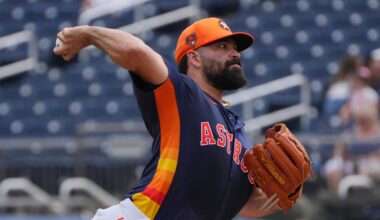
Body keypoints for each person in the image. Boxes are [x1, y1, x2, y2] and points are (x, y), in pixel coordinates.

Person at [53, 17, 280, 219]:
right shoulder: (181, 93)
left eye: (235, 48)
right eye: (222, 46)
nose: (235, 53)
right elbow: (135, 51)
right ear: (194, 58)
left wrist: (279, 193)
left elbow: (242, 204)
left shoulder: (238, 130)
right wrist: (88, 34)